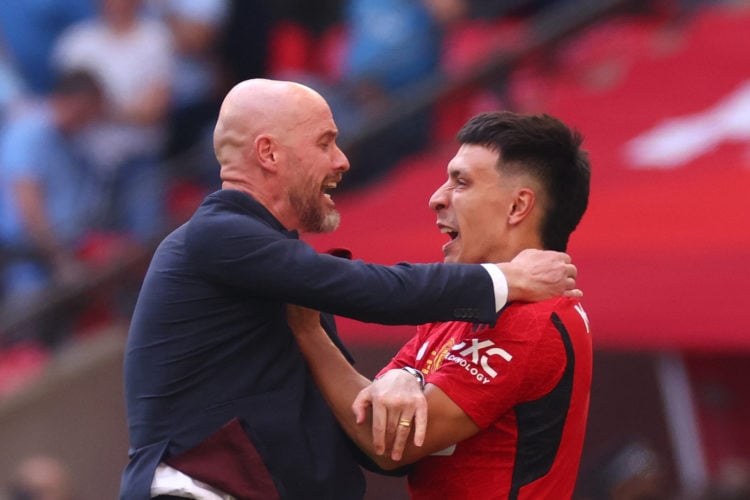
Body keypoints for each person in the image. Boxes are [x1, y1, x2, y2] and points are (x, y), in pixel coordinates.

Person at [120, 78, 581, 500]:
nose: (342, 159)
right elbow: (377, 293)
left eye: (460, 182)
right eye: (325, 142)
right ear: (270, 153)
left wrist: (403, 377)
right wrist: (504, 278)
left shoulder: (278, 267)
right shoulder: (219, 237)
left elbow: (374, 440)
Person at [287, 111, 593, 499]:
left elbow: (389, 446)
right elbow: (379, 404)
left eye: (461, 182)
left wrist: (307, 330)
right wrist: (405, 378)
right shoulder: (468, 303)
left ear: (518, 207)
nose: (436, 198)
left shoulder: (532, 322)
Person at [0, 69, 105, 302]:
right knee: (32, 321)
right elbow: (27, 203)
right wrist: (59, 259)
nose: (89, 119)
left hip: (68, 247)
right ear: (69, 101)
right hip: (28, 257)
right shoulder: (29, 132)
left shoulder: (72, 138)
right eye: (85, 111)